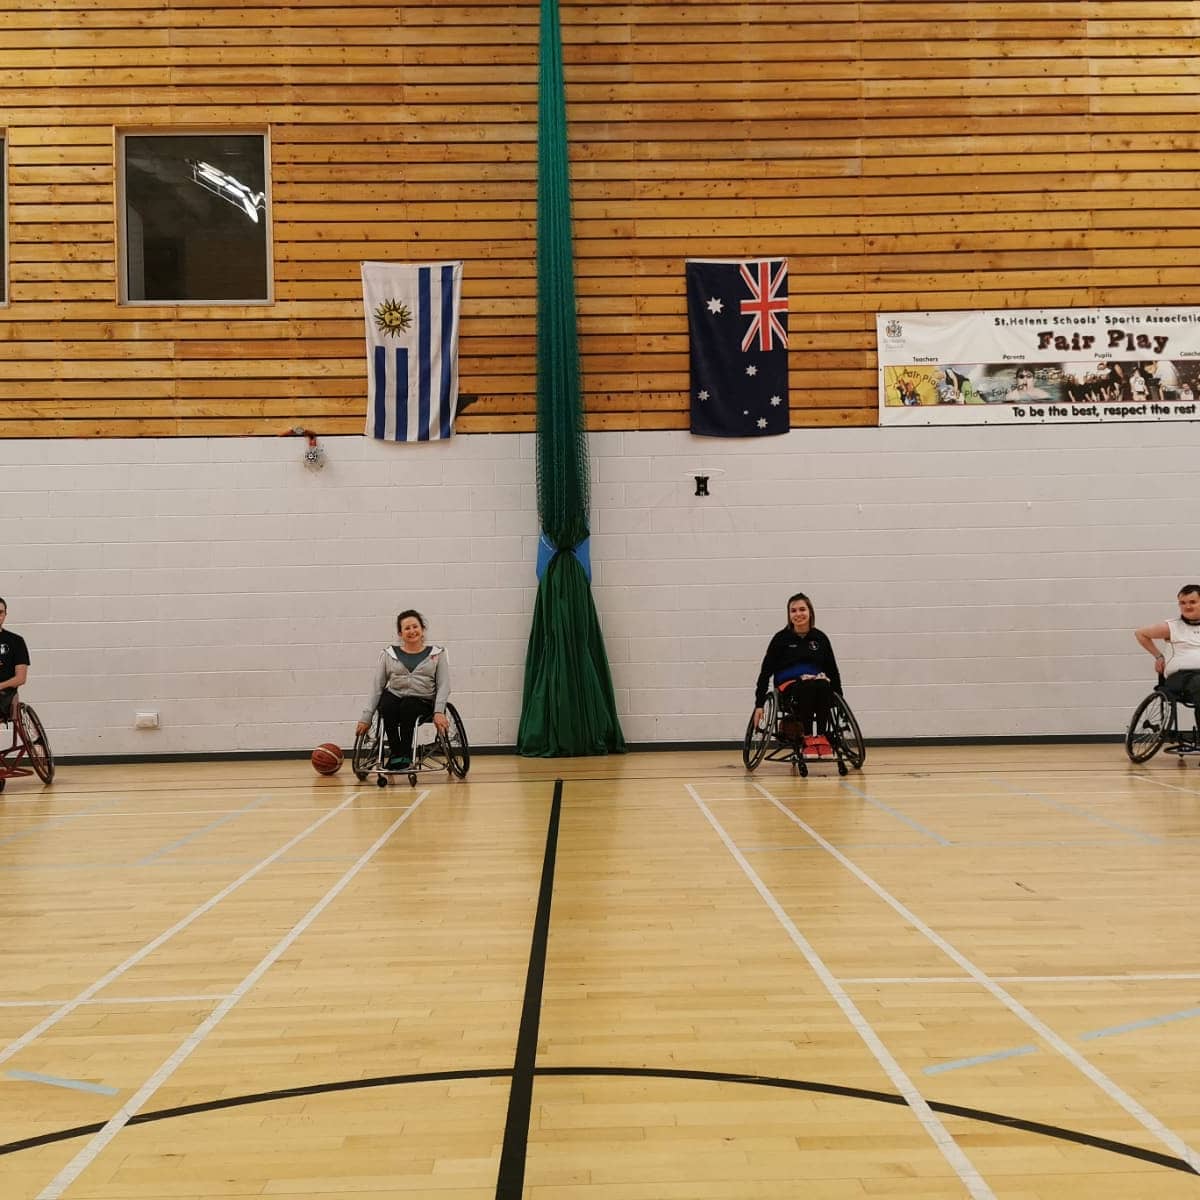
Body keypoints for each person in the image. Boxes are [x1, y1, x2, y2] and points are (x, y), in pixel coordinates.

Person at [356, 610, 449, 770]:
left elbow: (444, 685)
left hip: (422, 700)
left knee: (408, 705)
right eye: (407, 628)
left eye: (415, 626)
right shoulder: (389, 654)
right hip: (395, 696)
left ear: (422, 629)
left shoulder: (437, 654)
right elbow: (377, 686)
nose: (412, 631)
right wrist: (366, 717)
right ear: (400, 633)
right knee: (387, 705)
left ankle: (404, 754)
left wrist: (439, 711)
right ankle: (396, 753)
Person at [753, 592, 843, 757]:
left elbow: (832, 670)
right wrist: (759, 704)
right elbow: (765, 672)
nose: (798, 614)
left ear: (810, 612)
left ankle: (821, 737)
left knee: (823, 684)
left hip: (818, 684)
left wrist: (840, 699)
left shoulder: (820, 638)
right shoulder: (780, 639)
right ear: (789, 615)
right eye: (793, 611)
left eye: (802, 609)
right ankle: (808, 736)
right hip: (789, 687)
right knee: (807, 686)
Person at [1134, 585, 1200, 710]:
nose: (1187, 606)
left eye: (1193, 602)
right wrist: (1158, 656)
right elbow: (1140, 633)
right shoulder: (1171, 627)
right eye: (1183, 603)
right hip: (1180, 677)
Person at [0, 597, 30, 723]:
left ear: (5, 614)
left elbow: (21, 678)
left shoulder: (16, 641)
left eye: (0, 612)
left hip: (4, 695)